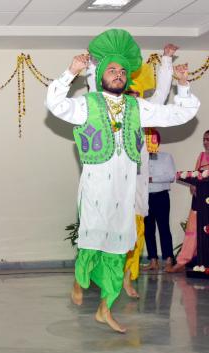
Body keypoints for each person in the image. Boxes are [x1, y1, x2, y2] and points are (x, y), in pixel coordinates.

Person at [46, 29, 200, 333]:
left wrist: (183, 85)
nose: (118, 74)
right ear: (101, 75)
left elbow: (177, 115)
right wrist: (70, 74)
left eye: (122, 71)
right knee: (91, 241)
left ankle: (105, 309)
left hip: (125, 191)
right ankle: (79, 281)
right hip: (95, 189)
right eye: (112, 70)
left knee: (119, 249)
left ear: (127, 79)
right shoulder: (87, 104)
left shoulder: (136, 107)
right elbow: (56, 105)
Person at [86, 43, 177, 297]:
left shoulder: (143, 115)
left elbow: (160, 96)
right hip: (111, 183)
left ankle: (127, 278)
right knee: (107, 231)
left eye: (137, 97)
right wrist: (93, 65)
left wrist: (167, 60)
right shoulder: (110, 112)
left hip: (136, 187)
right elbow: (95, 91)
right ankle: (105, 276)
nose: (134, 101)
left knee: (134, 235)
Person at [168, 129, 209, 273]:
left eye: (208, 139)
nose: (205, 142)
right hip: (199, 201)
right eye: (204, 139)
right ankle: (182, 261)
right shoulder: (201, 156)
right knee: (193, 231)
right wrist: (192, 185)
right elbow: (195, 174)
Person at [144, 130, 177, 271]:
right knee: (148, 230)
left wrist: (151, 178)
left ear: (158, 141)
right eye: (147, 140)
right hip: (145, 197)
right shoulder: (140, 159)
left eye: (152, 140)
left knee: (164, 228)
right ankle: (153, 260)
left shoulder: (166, 157)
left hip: (161, 196)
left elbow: (171, 176)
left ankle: (168, 259)